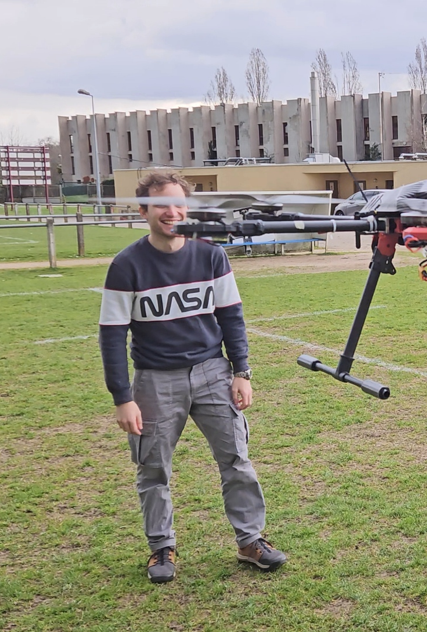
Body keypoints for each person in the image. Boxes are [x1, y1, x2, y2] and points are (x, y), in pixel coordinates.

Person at [98, 172, 286, 584]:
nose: (172, 212)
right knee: (153, 468)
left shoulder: (210, 255)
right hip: (154, 380)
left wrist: (241, 372)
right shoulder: (126, 265)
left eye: (178, 203)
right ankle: (161, 547)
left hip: (212, 372)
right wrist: (122, 397)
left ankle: (250, 541)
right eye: (161, 204)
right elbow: (111, 336)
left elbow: (231, 317)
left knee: (236, 459)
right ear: (143, 210)